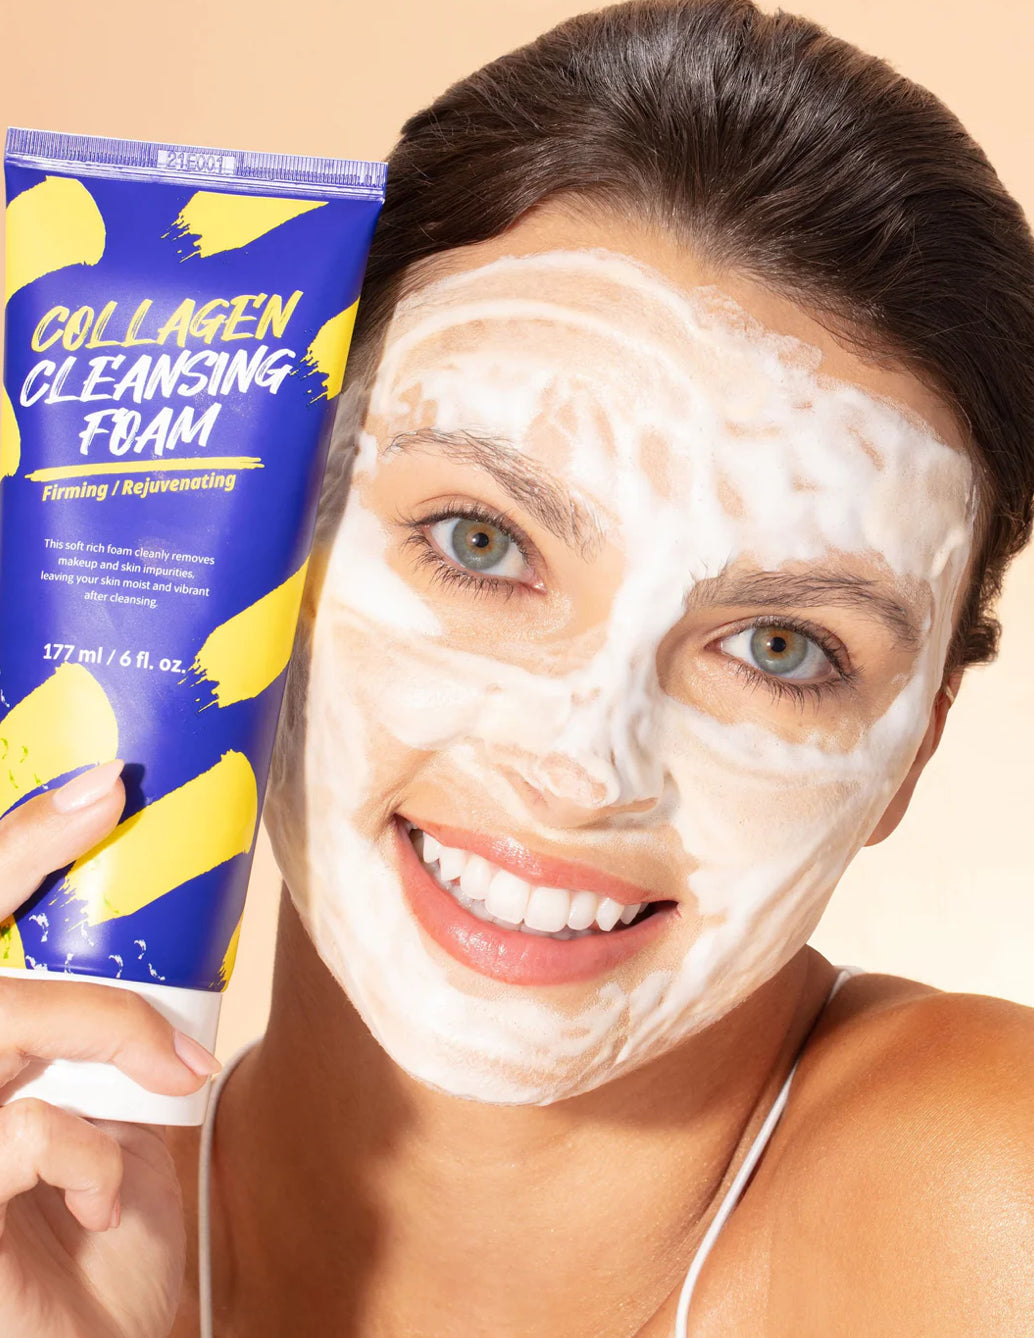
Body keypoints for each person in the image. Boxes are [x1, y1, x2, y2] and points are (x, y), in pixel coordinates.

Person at [2, 2, 1033, 1334]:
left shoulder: (983, 1197)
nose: (576, 760)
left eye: (780, 647)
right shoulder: (47, 1227)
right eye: (480, 540)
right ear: (277, 530)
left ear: (913, 748)